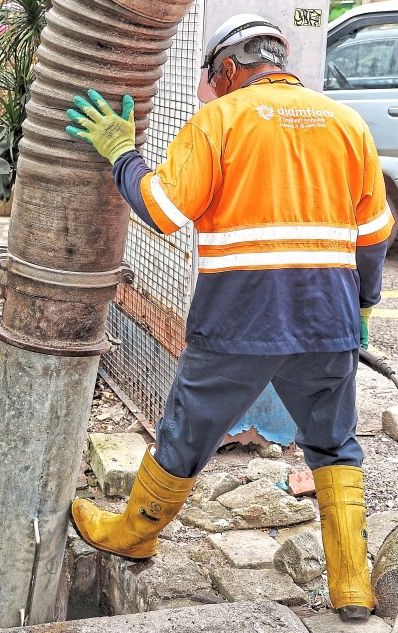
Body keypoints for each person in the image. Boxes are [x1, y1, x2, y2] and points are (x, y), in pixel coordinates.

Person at [66, 14, 394, 623]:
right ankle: (351, 586)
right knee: (333, 443)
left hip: (240, 318)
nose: (210, 92)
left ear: (228, 70)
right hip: (328, 317)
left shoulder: (219, 121)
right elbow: (373, 234)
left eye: (211, 82)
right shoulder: (347, 124)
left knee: (187, 430)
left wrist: (120, 155)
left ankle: (134, 533)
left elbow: (162, 211)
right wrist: (364, 307)